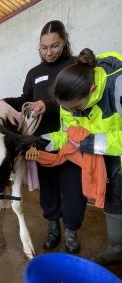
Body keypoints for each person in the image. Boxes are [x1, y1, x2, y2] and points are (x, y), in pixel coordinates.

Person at [2, 20, 86, 253]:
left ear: (65, 42)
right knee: (48, 186)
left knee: (72, 187)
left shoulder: (74, 67)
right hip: (43, 140)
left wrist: (49, 106)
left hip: (71, 140)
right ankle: (53, 226)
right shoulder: (34, 73)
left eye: (54, 46)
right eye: (43, 47)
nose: (48, 52)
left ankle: (71, 230)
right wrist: (3, 103)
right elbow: (25, 100)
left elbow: (80, 101)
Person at [44, 48, 122, 265]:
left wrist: (89, 144)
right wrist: (40, 143)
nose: (73, 112)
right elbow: (67, 136)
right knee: (114, 202)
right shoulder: (69, 102)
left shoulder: (117, 85)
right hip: (109, 162)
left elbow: (83, 141)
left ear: (93, 89)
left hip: (111, 154)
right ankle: (115, 249)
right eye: (67, 109)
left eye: (76, 108)